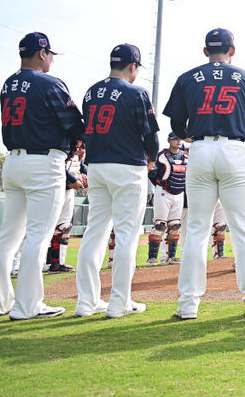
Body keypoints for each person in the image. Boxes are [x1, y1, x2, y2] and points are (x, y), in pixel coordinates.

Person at [163, 28, 245, 319]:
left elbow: (175, 122)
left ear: (205, 51)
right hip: (234, 150)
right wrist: (238, 138)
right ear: (232, 50)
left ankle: (188, 304)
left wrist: (194, 136)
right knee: (242, 226)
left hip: (199, 150)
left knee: (196, 229)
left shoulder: (188, 77)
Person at [0, 32, 84, 320]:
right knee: (38, 236)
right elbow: (74, 123)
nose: (52, 58)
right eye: (51, 54)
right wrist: (79, 141)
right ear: (42, 53)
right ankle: (28, 305)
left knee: (8, 237)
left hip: (13, 161)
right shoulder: (50, 82)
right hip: (43, 162)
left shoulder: (9, 83)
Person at [75, 43, 159, 318]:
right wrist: (152, 158)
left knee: (94, 232)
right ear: (133, 66)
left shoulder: (91, 92)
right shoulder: (136, 92)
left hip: (97, 166)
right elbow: (150, 134)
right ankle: (119, 303)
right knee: (126, 236)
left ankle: (86, 302)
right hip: (127, 167)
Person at [46, 140, 86, 273]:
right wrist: (73, 180)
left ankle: (57, 263)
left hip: (68, 191)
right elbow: (57, 165)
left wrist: (87, 177)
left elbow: (81, 167)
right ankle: (18, 266)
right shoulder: (65, 144)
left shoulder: (81, 150)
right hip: (54, 188)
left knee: (64, 227)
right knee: (44, 227)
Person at [149, 134, 187, 265]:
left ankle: (171, 256)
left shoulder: (185, 157)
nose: (178, 141)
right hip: (164, 192)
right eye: (175, 139)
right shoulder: (161, 156)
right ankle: (152, 257)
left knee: (175, 225)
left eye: (180, 139)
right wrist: (160, 186)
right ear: (169, 140)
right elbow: (153, 173)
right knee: (160, 225)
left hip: (179, 193)